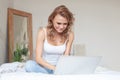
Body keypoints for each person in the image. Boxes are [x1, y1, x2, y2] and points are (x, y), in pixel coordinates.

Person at [25, 5, 74, 74]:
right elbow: (38, 58)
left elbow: (66, 57)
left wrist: (60, 69)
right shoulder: (42, 32)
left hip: (60, 68)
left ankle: (52, 75)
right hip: (45, 67)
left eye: (65, 24)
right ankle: (52, 74)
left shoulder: (70, 34)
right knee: (29, 65)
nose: (61, 27)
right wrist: (54, 69)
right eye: (58, 23)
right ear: (52, 19)